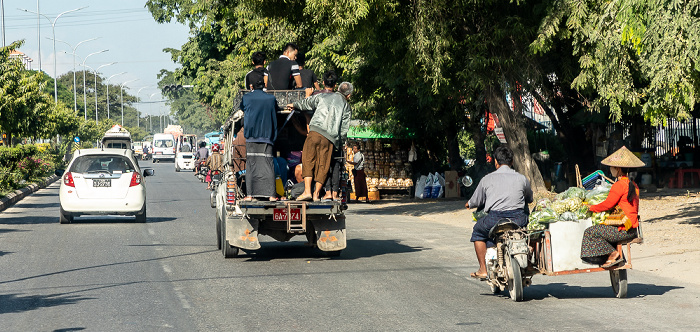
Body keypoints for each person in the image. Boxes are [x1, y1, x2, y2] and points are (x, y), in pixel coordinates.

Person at [465, 146, 533, 279]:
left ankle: (483, 270)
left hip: (495, 219)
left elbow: (476, 200)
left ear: (496, 161)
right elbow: (529, 198)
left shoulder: (487, 179)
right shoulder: (522, 178)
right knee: (529, 231)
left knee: (477, 232)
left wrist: (469, 204)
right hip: (518, 219)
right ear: (512, 162)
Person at [288, 78, 353, 201]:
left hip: (315, 132)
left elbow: (306, 104)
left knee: (308, 160)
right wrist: (338, 145)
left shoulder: (323, 96)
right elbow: (343, 130)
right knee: (323, 166)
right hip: (330, 139)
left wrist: (294, 104)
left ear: (338, 88)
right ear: (348, 95)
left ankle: (307, 191)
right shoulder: (346, 106)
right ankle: (316, 194)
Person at [582, 146, 642, 267]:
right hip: (632, 229)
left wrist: (590, 207)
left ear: (618, 169)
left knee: (590, 232)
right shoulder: (633, 185)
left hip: (623, 230)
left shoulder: (620, 185)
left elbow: (607, 205)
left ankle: (612, 253)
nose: (610, 170)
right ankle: (612, 254)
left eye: (612, 167)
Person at [241, 79, 279, 201]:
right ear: (264, 86)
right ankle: (272, 195)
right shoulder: (271, 99)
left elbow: (242, 108)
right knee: (268, 164)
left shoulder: (246, 98)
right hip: (267, 136)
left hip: (251, 137)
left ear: (251, 86)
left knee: (251, 165)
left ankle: (250, 195)